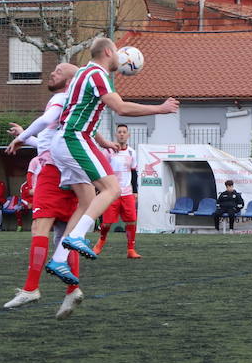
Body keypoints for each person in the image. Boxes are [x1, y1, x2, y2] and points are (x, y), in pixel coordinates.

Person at [43, 38, 179, 288]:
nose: (119, 57)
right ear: (108, 52)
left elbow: (79, 109)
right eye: (117, 52)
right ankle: (77, 237)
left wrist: (103, 142)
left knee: (86, 202)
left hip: (67, 140)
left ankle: (59, 258)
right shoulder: (97, 73)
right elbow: (121, 108)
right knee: (112, 189)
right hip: (75, 138)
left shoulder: (84, 72)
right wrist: (159, 109)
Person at [1, 61, 89, 317]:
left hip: (53, 171)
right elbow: (47, 140)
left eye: (59, 71)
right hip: (70, 170)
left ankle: (31, 288)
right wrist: (25, 135)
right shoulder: (75, 105)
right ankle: (72, 289)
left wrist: (20, 137)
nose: (53, 72)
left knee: (40, 226)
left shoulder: (60, 98)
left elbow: (47, 120)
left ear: (70, 82)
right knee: (64, 235)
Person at [94, 123, 140, 258]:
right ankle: (101, 242)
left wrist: (135, 191)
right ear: (116, 135)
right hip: (112, 193)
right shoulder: (108, 152)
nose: (121, 134)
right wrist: (102, 188)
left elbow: (134, 172)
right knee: (106, 223)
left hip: (127, 193)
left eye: (124, 132)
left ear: (128, 135)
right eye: (119, 132)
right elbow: (102, 171)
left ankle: (131, 249)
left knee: (131, 221)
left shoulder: (132, 152)